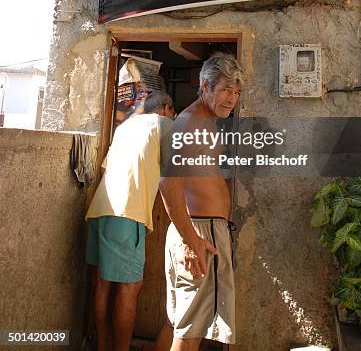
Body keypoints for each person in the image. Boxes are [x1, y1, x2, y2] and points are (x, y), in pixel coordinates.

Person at [155, 52, 245, 351]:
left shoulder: (206, 123)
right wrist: (191, 240)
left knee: (184, 321)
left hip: (205, 232)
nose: (231, 99)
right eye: (224, 90)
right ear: (205, 86)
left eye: (235, 92)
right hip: (198, 232)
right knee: (189, 328)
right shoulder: (190, 124)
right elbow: (169, 186)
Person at [85, 90, 175, 351]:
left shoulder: (124, 129)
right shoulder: (164, 124)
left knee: (102, 282)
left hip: (100, 208)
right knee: (130, 287)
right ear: (166, 108)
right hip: (127, 214)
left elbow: (104, 168)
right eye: (172, 112)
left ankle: (102, 346)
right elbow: (179, 166)